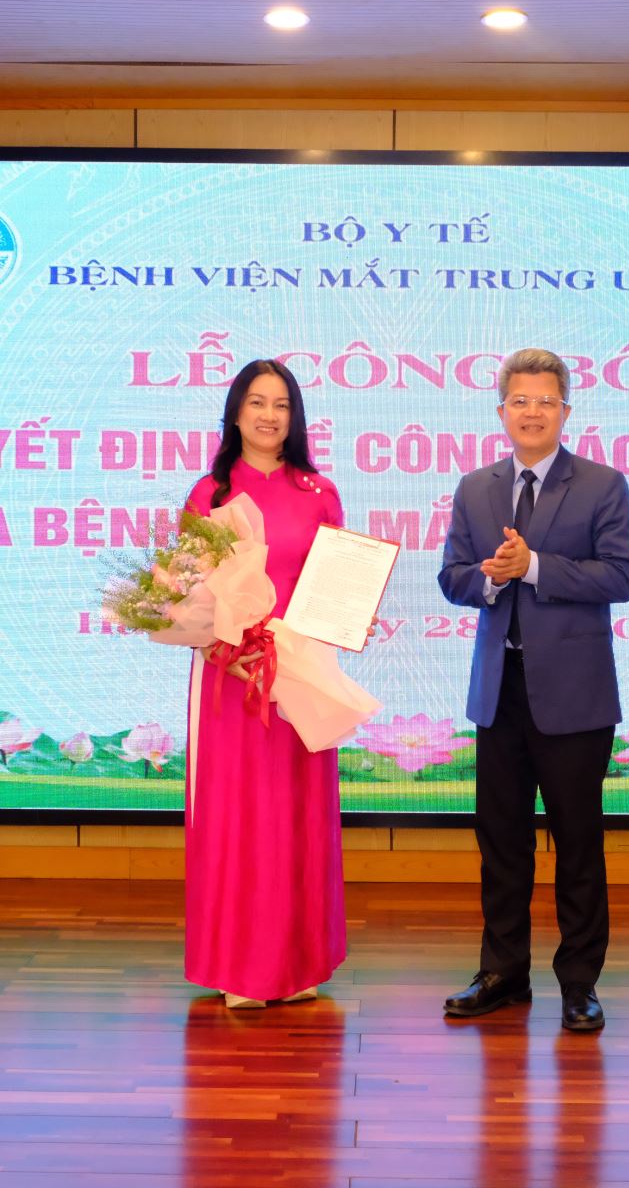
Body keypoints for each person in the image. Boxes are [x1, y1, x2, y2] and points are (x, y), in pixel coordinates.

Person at [438, 348, 629, 1030]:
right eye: (520, 401)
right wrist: (492, 577)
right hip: (499, 693)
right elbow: (452, 578)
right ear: (501, 411)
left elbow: (620, 577)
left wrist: (534, 568)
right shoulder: (476, 487)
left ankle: (580, 983)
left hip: (576, 697)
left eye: (545, 401)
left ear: (565, 411)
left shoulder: (602, 484)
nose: (532, 412)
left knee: (577, 843)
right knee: (502, 843)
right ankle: (503, 973)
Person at [184, 358, 346, 1008]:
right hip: (231, 678)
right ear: (235, 412)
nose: (269, 415)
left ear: (295, 417)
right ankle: (239, 970)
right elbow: (189, 592)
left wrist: (333, 624)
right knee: (238, 818)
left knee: (299, 817)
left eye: (281, 404)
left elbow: (334, 587)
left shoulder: (319, 491)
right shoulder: (210, 494)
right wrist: (231, 647)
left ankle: (299, 965)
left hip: (300, 674)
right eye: (257, 402)